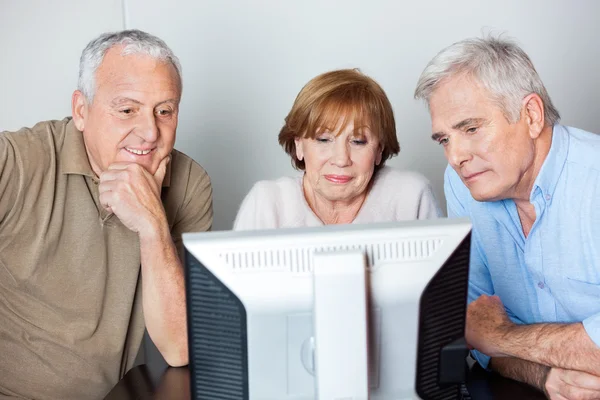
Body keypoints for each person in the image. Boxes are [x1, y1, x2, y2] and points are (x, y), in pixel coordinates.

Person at [0, 30, 213, 399]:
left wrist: (152, 224)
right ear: (81, 111)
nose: (149, 132)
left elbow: (181, 349)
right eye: (127, 109)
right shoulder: (16, 162)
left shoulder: (190, 183)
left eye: (165, 111)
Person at [414, 36, 600, 398]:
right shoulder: (464, 182)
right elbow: (473, 326)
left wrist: (502, 336)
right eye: (444, 140)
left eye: (470, 129)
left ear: (531, 115)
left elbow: (488, 335)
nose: (455, 157)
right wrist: (544, 374)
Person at [234, 69, 441, 230]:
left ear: (379, 150)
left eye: (358, 141)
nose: (341, 159)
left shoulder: (411, 197)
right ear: (299, 145)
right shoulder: (266, 203)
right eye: (324, 139)